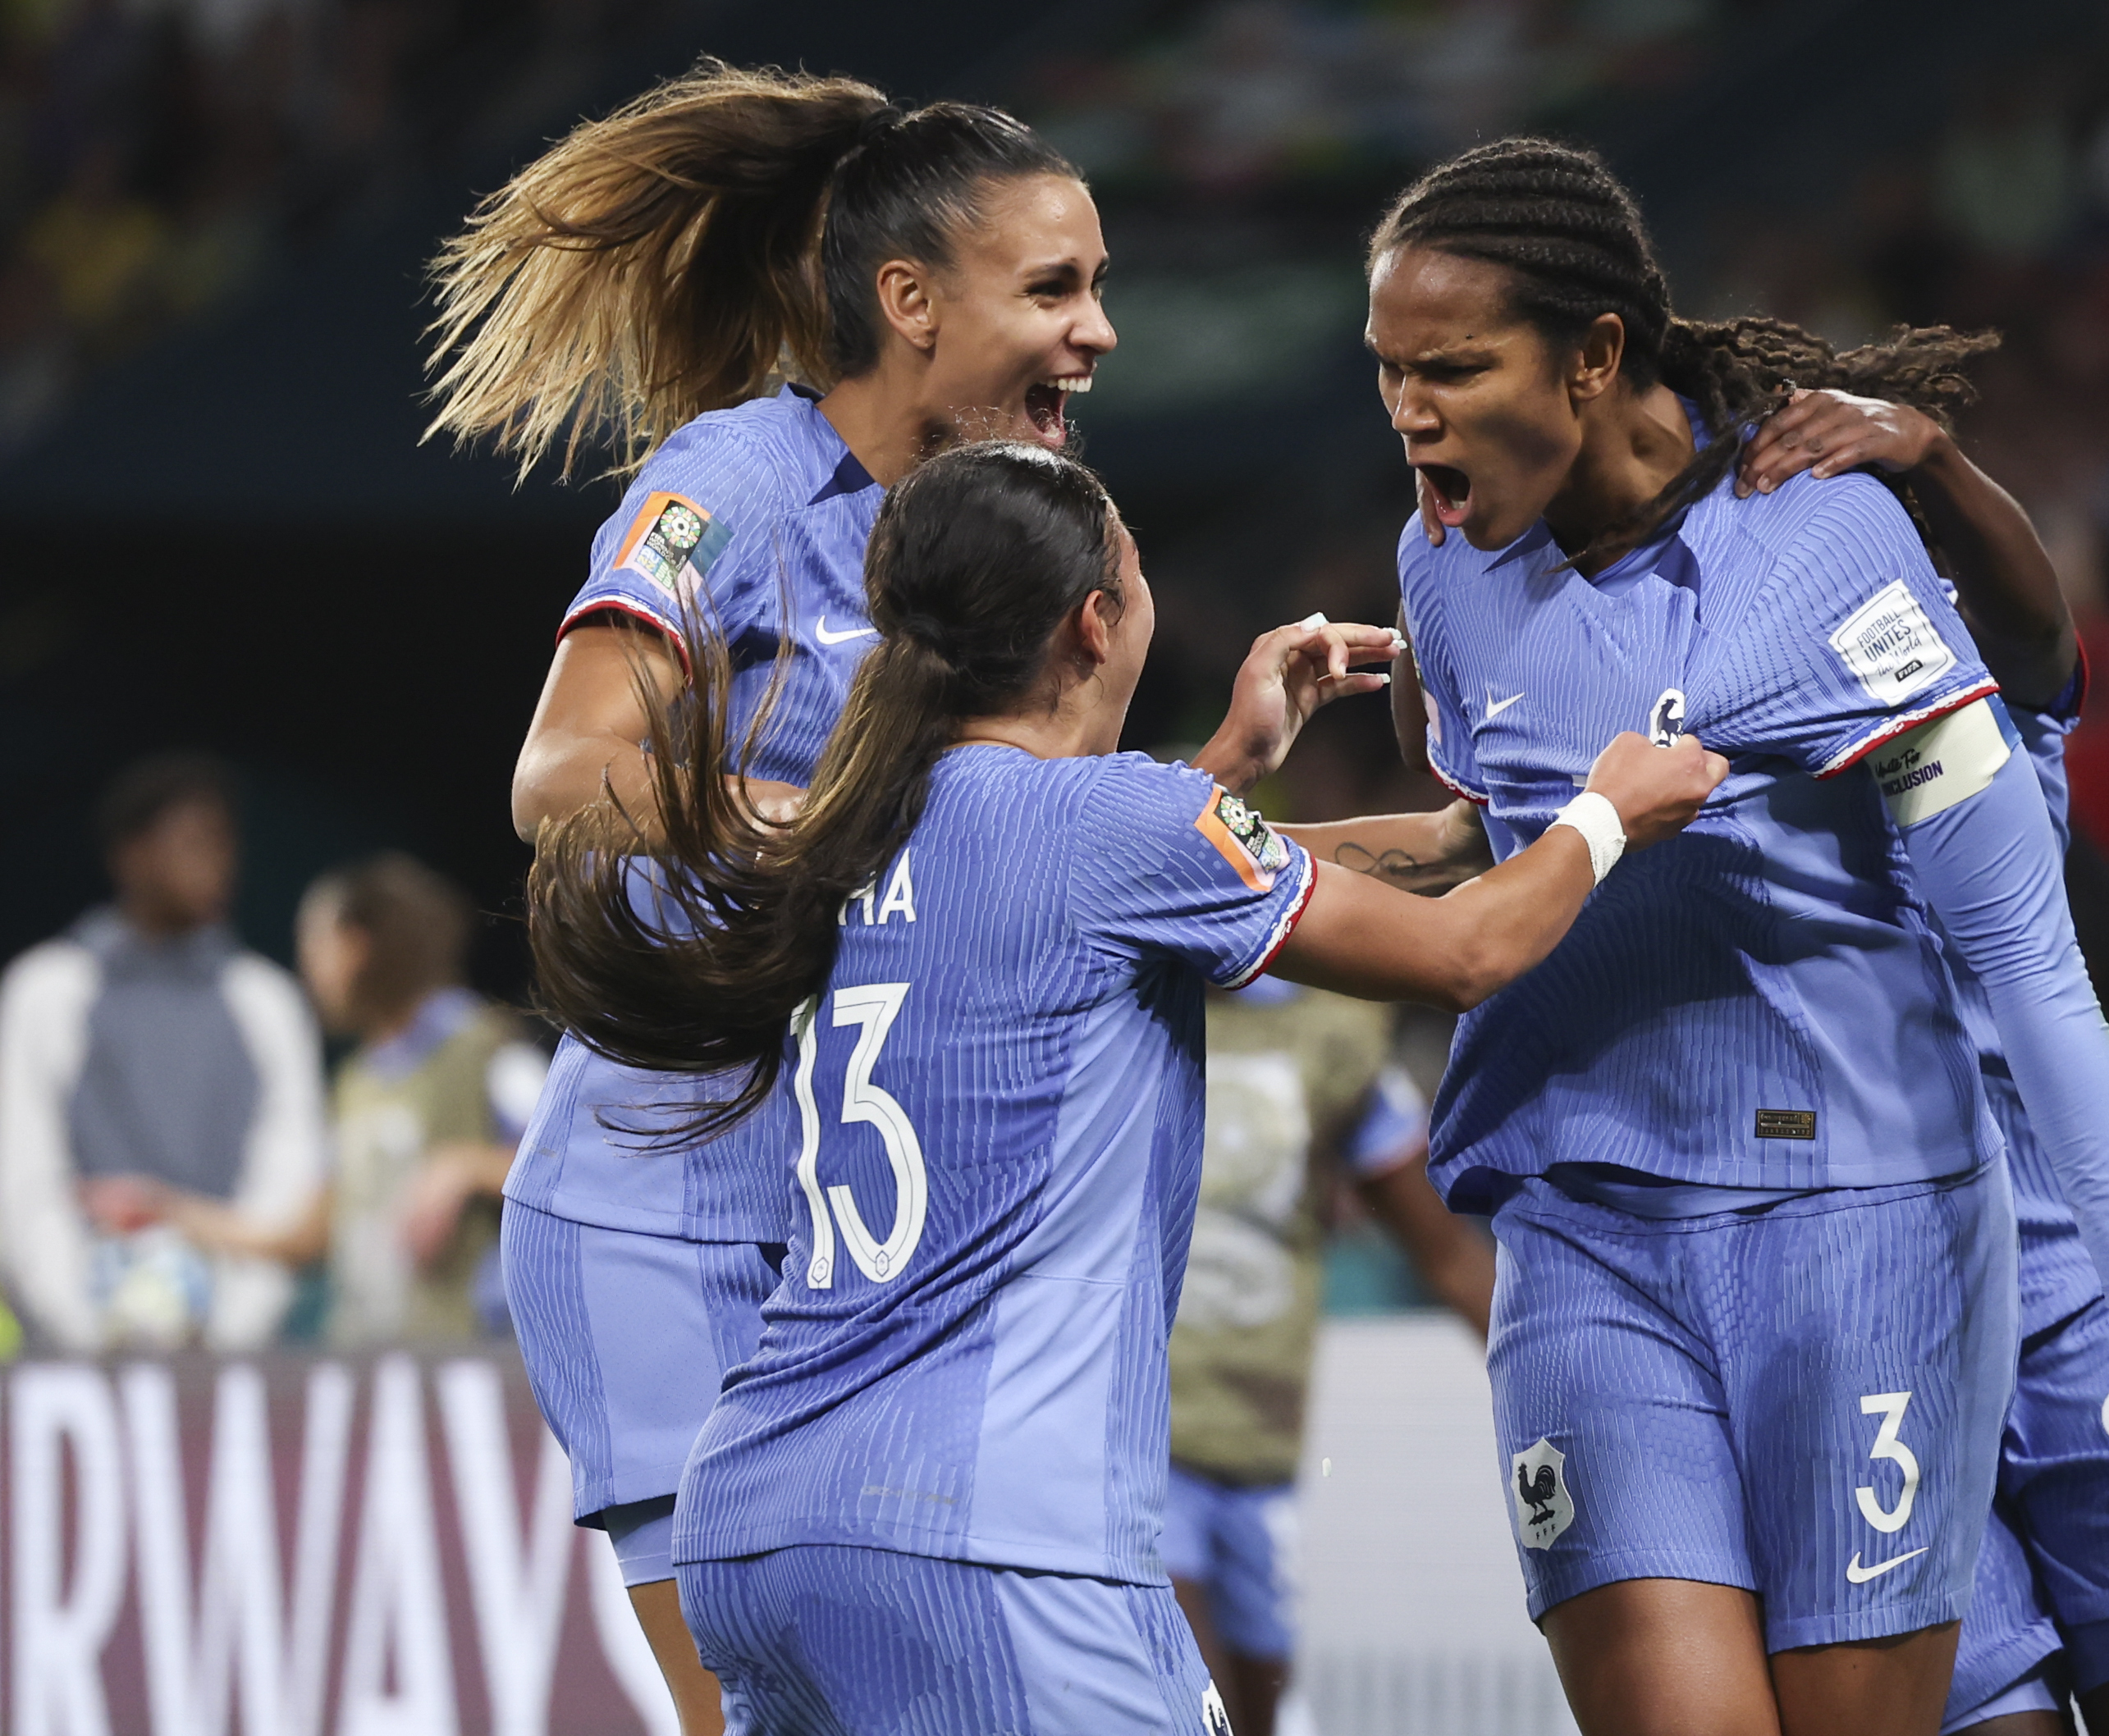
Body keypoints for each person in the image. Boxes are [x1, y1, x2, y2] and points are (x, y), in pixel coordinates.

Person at [424, 61, 1397, 1732]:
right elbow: (561, 779)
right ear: (908, 303)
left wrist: (1231, 773)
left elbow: (1034, 854)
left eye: (1098, 287)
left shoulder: (980, 531)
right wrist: (852, 822)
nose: (1095, 332)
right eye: (1053, 290)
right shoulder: (730, 482)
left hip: (850, 1231)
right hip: (660, 1210)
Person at [1294, 138, 2109, 1736]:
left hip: (1901, 1231)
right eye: (1388, 369)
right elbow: (1506, 838)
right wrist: (1204, 848)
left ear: (1593, 351)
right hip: (1590, 1221)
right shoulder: (1445, 563)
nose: (1407, 410)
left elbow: (2030, 934)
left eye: (1450, 367)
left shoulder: (1830, 550)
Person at [519, 441, 1728, 1735]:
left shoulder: (852, 822)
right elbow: (1465, 954)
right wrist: (1603, 814)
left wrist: (1262, 775)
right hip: (985, 1530)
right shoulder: (1117, 827)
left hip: (761, 1522)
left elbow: (1109, 878)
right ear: (1097, 622)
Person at [1725, 390, 2109, 1735]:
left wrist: (1936, 453)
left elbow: (2040, 626)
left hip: (2072, 1297)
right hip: (1880, 1313)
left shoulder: (1987, 710)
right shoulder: (1730, 754)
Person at [1167, 980, 1492, 1736]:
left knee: (1254, 1714)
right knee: (1182, 1700)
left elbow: (1446, 1256)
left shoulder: (1338, 1032)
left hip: (1261, 1439)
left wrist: (1559, 1395)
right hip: (1134, 1437)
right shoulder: (1126, 991)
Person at [119, 852, 547, 1345]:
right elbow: (309, 1236)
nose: (307, 970)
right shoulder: (356, 1084)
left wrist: (463, 1167)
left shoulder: (479, 1046)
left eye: (315, 945)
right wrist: (170, 1211)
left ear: (357, 945)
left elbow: (566, 1165)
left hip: (466, 1363)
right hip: (367, 1364)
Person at [0, 752, 324, 1351]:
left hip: (224, 1356)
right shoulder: (46, 991)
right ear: (132, 855)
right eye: (193, 842)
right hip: (76, 1353)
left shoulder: (266, 1002)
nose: (217, 864)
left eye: (224, 844)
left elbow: (284, 1176)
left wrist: (218, 1336)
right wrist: (92, 1331)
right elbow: (24, 1179)